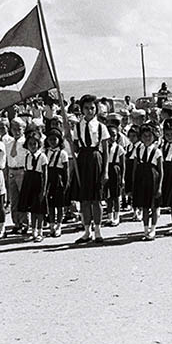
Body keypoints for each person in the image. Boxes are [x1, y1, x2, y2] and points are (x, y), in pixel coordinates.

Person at [72, 94, 111, 244]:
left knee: (96, 199)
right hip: (83, 159)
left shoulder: (101, 127)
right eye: (86, 108)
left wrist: (105, 170)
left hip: (96, 159)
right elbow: (75, 147)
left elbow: (106, 150)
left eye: (92, 108)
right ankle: (86, 231)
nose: (89, 111)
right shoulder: (77, 126)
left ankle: (98, 231)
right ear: (81, 109)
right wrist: (69, 138)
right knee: (84, 200)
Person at [17, 128, 49, 242]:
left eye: (34, 144)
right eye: (30, 144)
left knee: (39, 210)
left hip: (38, 183)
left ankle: (40, 231)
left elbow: (45, 174)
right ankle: (33, 230)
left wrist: (43, 190)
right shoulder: (27, 156)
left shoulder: (42, 157)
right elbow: (26, 172)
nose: (32, 146)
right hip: (29, 183)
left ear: (39, 144)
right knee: (31, 209)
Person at [135, 123, 164, 240]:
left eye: (149, 136)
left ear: (154, 137)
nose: (147, 138)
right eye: (144, 136)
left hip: (153, 179)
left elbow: (161, 171)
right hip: (141, 179)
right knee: (145, 206)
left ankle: (153, 229)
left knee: (154, 206)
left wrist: (160, 186)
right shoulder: (138, 149)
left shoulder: (157, 151)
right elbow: (135, 168)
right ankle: (145, 229)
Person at [4, 118, 29, 235]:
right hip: (11, 171)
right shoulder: (9, 143)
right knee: (14, 199)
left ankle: (24, 223)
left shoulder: (26, 142)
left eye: (19, 129)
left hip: (22, 171)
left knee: (23, 198)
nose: (16, 131)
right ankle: (16, 223)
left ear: (23, 129)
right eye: (14, 129)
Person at [45, 128, 70, 237]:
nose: (52, 142)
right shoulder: (45, 152)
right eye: (50, 139)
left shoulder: (62, 153)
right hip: (48, 178)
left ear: (59, 140)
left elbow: (66, 169)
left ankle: (59, 226)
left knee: (59, 205)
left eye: (54, 139)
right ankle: (51, 225)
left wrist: (66, 182)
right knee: (50, 205)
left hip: (58, 179)